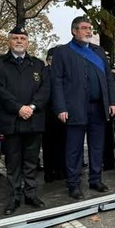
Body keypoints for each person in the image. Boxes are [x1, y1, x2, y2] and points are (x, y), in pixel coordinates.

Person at [52, 16, 115, 200]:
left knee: (97, 146)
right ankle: (73, 184)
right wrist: (60, 108)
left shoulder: (98, 52)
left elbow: (108, 80)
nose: (89, 31)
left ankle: (95, 179)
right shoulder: (63, 52)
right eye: (84, 28)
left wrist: (113, 102)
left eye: (90, 28)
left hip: (98, 107)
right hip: (74, 108)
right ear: (74, 31)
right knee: (74, 148)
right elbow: (56, 82)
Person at [0, 25, 50, 215]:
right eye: (15, 38)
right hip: (12, 121)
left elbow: (45, 90)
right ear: (9, 41)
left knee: (31, 160)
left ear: (27, 42)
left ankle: (30, 194)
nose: (19, 41)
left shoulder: (38, 64)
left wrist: (31, 107)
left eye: (22, 39)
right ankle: (14, 197)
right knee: (13, 162)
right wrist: (18, 108)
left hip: (33, 120)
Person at [42, 47, 66, 183]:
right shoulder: (44, 72)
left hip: (61, 112)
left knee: (61, 142)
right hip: (47, 113)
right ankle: (49, 171)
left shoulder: (63, 72)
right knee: (48, 144)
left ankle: (60, 169)